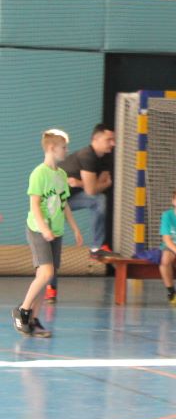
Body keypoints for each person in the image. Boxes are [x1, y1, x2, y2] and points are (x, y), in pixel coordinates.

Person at [14, 129, 82, 338]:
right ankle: (23, 311)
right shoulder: (39, 173)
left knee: (46, 277)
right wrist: (44, 228)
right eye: (64, 147)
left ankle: (34, 320)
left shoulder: (61, 175)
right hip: (38, 230)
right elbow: (34, 205)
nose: (66, 151)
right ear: (52, 148)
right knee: (46, 273)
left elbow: (64, 204)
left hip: (56, 232)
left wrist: (75, 228)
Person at [48, 123, 116, 304]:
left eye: (114, 140)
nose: (113, 143)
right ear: (95, 139)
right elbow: (95, 187)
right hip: (55, 204)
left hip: (72, 199)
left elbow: (96, 187)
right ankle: (50, 288)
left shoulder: (106, 157)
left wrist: (80, 183)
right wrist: (95, 185)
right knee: (53, 248)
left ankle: (96, 248)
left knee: (99, 200)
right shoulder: (87, 155)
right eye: (109, 139)